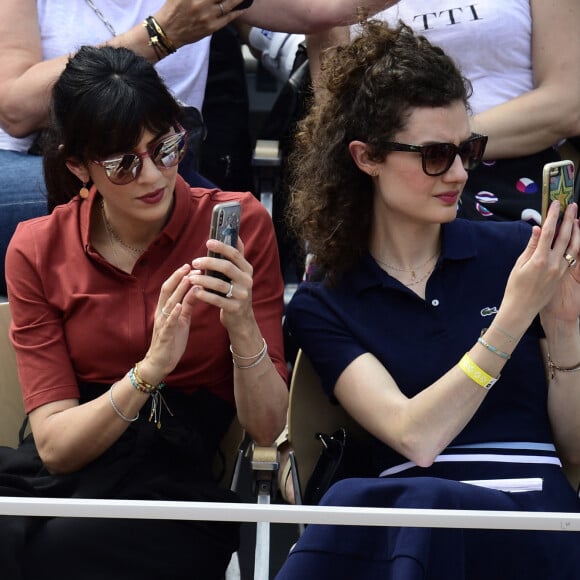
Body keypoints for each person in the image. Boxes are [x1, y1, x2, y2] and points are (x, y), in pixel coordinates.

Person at [276, 20, 580, 579]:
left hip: (529, 518)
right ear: (366, 158)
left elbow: (578, 452)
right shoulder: (325, 303)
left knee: (406, 509)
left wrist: (563, 328)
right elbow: (415, 437)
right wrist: (513, 317)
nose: (461, 173)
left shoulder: (520, 251)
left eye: (468, 149)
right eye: (436, 155)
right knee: (394, 504)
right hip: (410, 523)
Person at [1, 44, 288, 579]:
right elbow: (56, 447)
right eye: (122, 164)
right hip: (70, 462)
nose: (153, 176)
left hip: (174, 474)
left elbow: (268, 427)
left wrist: (242, 324)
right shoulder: (37, 247)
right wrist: (150, 369)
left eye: (166, 147)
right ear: (78, 167)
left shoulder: (240, 224)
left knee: (71, 548)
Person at [0, 0, 401, 299]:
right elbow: (15, 109)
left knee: (244, 227)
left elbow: (324, 9)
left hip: (161, 167)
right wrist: (160, 35)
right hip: (33, 164)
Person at [360, 0, 580, 223]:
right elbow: (335, 108)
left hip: (516, 172)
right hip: (389, 175)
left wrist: (439, 147)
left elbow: (569, 105)